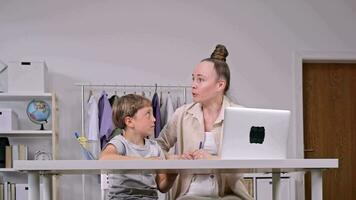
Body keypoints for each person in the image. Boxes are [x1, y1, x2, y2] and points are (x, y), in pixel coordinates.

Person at [156, 44, 253, 200]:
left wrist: (213, 160)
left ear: (220, 85)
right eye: (193, 78)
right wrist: (174, 159)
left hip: (229, 195)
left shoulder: (240, 115)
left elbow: (251, 158)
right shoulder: (181, 114)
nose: (193, 84)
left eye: (200, 80)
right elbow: (157, 147)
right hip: (189, 195)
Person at [100, 94, 177, 200]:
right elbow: (104, 159)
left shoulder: (155, 148)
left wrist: (171, 176)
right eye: (148, 114)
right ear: (130, 121)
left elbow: (162, 186)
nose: (154, 119)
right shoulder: (120, 143)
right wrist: (145, 162)